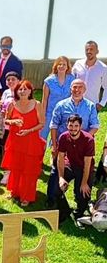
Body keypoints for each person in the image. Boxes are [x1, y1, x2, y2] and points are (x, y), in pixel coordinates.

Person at [47, 79, 99, 207]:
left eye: (80, 87)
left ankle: (81, 207)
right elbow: (53, 126)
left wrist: (84, 139)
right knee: (55, 181)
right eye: (74, 87)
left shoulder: (90, 106)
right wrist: (54, 145)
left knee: (83, 190)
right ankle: (54, 202)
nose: (77, 90)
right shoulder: (61, 105)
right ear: (70, 89)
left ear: (84, 90)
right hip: (63, 148)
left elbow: (95, 126)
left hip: (83, 150)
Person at [1, 80, 45, 207]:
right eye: (20, 89)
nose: (23, 91)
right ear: (16, 92)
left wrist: (29, 131)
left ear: (31, 91)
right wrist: (13, 122)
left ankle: (27, 196)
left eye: (26, 89)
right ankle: (15, 191)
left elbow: (42, 123)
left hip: (31, 142)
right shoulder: (12, 104)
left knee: (29, 170)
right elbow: (6, 120)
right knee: (16, 167)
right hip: (15, 141)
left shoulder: (37, 104)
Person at [56, 115, 96, 225]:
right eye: (71, 126)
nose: (73, 128)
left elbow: (87, 164)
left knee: (83, 193)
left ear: (80, 126)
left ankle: (79, 213)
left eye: (76, 126)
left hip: (84, 167)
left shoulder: (88, 139)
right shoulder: (63, 137)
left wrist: (84, 183)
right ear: (67, 125)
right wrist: (61, 178)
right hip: (70, 165)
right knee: (56, 188)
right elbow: (60, 158)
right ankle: (64, 211)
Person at [41, 57, 74, 142]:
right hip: (49, 114)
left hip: (65, 114)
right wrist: (42, 116)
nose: (62, 66)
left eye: (64, 64)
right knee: (42, 138)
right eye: (59, 64)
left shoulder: (72, 79)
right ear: (56, 66)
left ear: (67, 67)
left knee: (61, 139)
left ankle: (56, 154)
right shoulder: (48, 81)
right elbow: (44, 100)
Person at [71, 40, 107, 109]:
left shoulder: (103, 68)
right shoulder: (78, 64)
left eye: (91, 49)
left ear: (97, 51)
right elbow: (70, 81)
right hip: (75, 104)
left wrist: (102, 104)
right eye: (87, 49)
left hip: (92, 105)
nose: (88, 51)